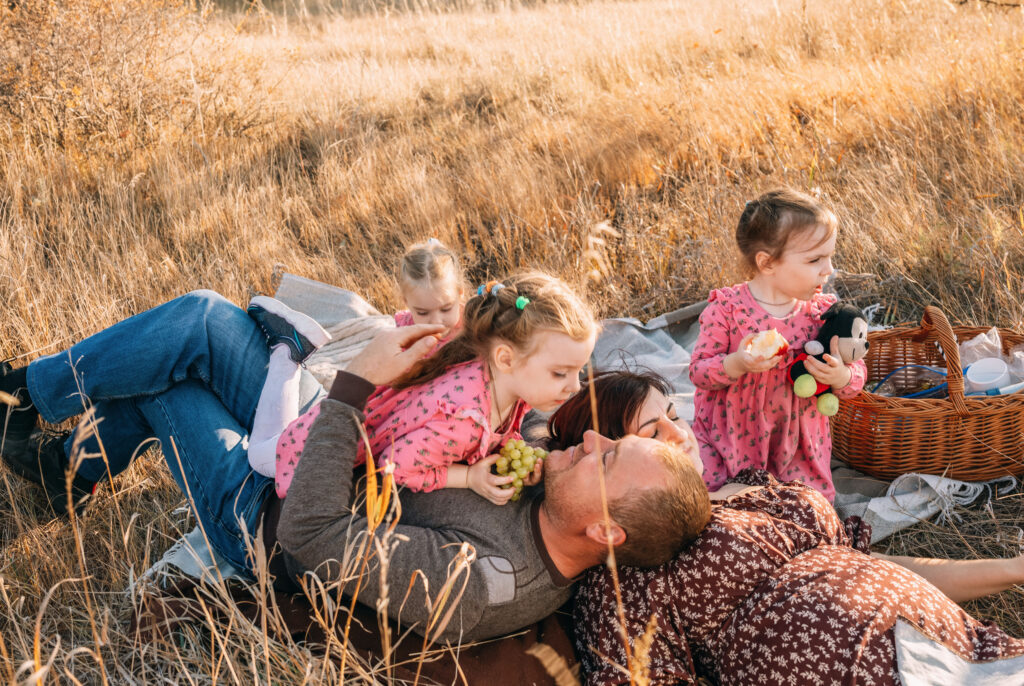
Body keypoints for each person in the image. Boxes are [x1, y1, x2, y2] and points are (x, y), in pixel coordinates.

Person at [0, 290, 710, 645]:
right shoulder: (562, 495)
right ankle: (39, 427)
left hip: (265, 517)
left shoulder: (489, 584)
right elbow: (498, 408)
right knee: (201, 318)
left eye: (607, 456)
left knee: (172, 380)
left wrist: (355, 386)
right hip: (342, 444)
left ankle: (56, 469)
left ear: (608, 534)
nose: (586, 442)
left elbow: (311, 536)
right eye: (606, 438)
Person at [546, 370, 1024, 685]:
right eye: (652, 434)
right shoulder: (632, 572)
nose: (680, 433)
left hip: (966, 650)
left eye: (673, 415)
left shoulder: (751, 485)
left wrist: (1013, 568)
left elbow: (864, 566)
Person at [274, 271, 597, 505]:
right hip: (304, 457)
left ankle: (284, 363)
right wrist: (468, 478)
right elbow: (393, 465)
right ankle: (283, 358)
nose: (575, 386)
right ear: (505, 358)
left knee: (277, 431)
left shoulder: (501, 378)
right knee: (262, 448)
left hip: (322, 425)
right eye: (560, 373)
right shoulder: (463, 423)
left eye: (578, 371)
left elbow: (499, 431)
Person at [688, 188, 867, 500]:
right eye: (815, 259)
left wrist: (841, 377)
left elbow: (857, 369)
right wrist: (737, 363)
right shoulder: (728, 310)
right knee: (711, 497)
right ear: (767, 263)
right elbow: (699, 372)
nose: (828, 269)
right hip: (730, 440)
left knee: (806, 504)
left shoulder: (822, 312)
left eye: (829, 256)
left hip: (796, 446)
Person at [244, 237, 467, 478]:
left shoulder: (472, 331)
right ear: (407, 303)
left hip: (367, 426)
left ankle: (288, 351)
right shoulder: (403, 339)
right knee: (261, 457)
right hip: (360, 426)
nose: (436, 321)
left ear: (460, 294)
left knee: (280, 442)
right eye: (422, 312)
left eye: (446, 308)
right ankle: (286, 353)